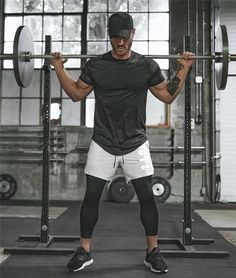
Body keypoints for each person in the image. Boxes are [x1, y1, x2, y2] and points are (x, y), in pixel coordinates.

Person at [50, 12, 194, 274]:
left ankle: (153, 252)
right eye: (116, 38)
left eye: (125, 38)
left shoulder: (146, 66)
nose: (120, 43)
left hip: (135, 143)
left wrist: (183, 69)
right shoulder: (96, 66)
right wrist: (59, 67)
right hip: (103, 141)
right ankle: (84, 251)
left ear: (132, 36)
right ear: (109, 37)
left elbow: (166, 96)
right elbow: (75, 93)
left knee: (147, 197)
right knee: (92, 196)